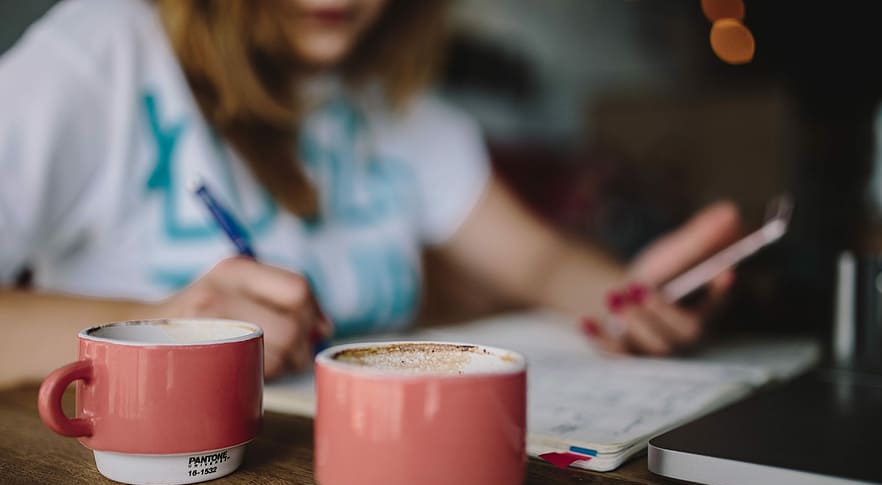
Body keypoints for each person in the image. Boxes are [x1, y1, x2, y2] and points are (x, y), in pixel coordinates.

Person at [0, 0, 741, 386]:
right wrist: (165, 327)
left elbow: (542, 266)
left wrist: (633, 296)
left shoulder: (402, 112)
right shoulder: (103, 54)